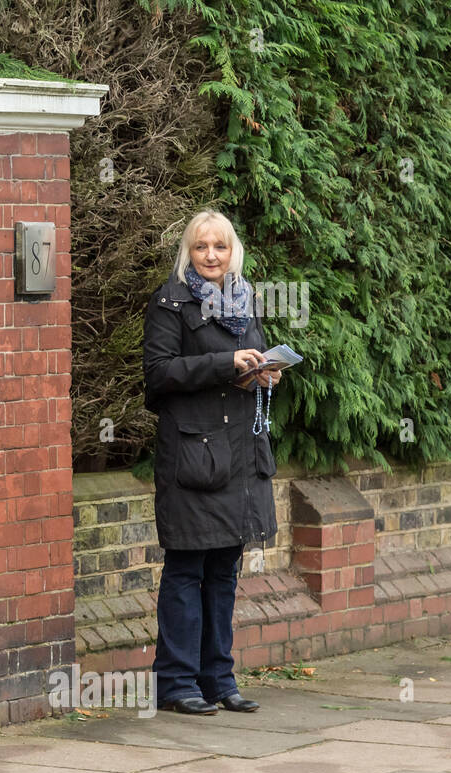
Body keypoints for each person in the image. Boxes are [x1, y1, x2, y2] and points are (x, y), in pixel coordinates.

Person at [142, 210, 281, 715]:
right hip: (192, 457)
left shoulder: (247, 300)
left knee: (224, 569)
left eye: (220, 247)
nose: (211, 256)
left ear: (232, 252)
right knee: (186, 568)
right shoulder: (169, 301)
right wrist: (226, 363)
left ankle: (219, 678)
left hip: (240, 455)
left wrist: (261, 373)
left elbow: (251, 360)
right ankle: (177, 683)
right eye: (201, 247)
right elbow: (157, 376)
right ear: (188, 251)